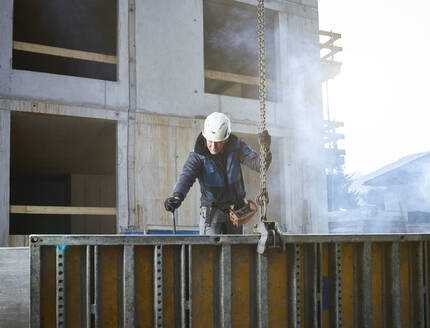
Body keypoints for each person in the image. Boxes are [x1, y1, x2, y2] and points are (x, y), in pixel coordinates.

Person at [164, 112, 271, 235]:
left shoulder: (236, 147)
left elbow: (259, 165)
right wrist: (177, 196)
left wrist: (266, 149)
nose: (213, 146)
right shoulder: (198, 155)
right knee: (210, 251)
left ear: (226, 139)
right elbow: (186, 176)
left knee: (236, 251)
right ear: (205, 137)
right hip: (212, 212)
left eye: (218, 142)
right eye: (210, 141)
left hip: (236, 212)